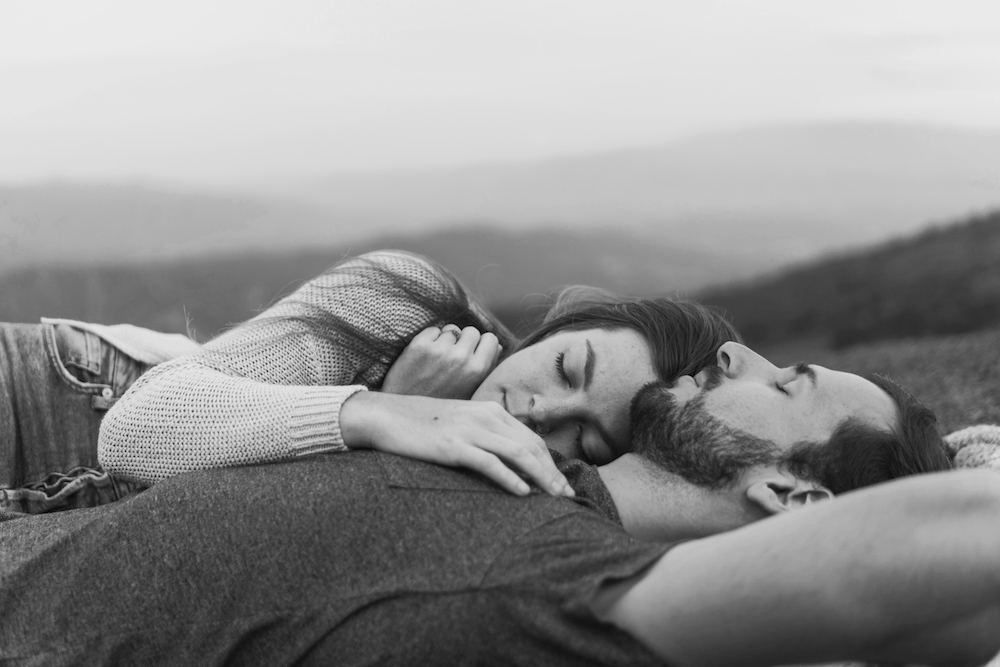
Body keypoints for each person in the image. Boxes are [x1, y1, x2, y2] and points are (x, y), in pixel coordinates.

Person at [0, 344, 984, 667]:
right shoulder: (506, 451)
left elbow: (866, 583)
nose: (735, 354)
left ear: (788, 493)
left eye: (783, 382)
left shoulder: (556, 586)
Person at [2, 250, 741, 514]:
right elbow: (134, 430)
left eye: (583, 431)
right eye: (565, 367)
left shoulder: (524, 497)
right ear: (554, 330)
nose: (541, 409)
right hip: (53, 391)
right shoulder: (408, 302)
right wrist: (390, 409)